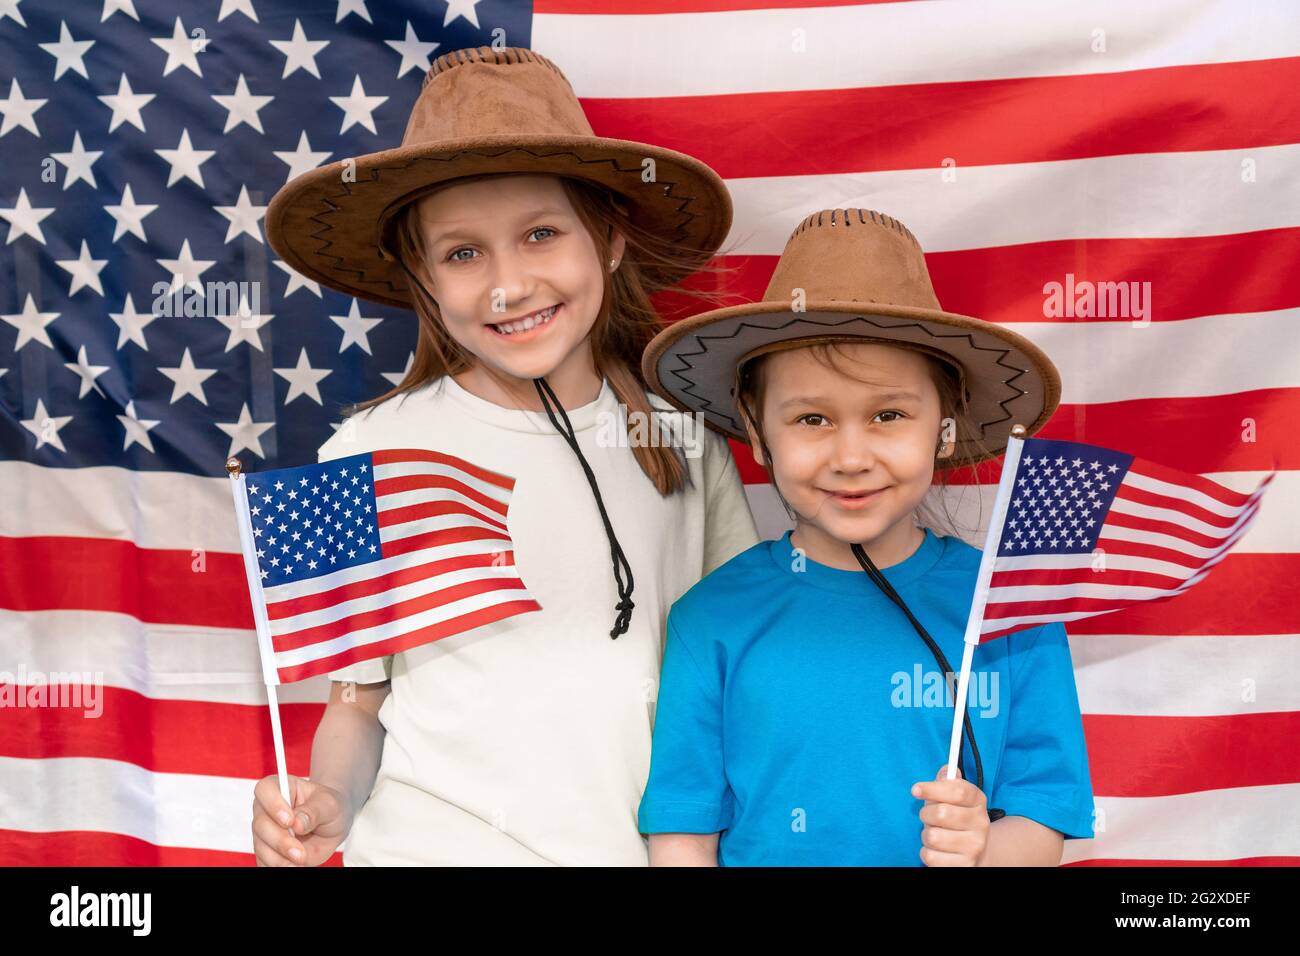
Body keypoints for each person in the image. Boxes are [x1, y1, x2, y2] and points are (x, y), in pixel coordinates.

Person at [249, 46, 759, 866]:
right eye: (462, 253)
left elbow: (734, 666)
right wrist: (329, 803)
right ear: (422, 273)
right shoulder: (366, 451)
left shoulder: (680, 440)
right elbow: (355, 700)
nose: (507, 285)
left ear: (612, 240)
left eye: (542, 234)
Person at [636, 207, 1096, 866]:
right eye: (812, 418)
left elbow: (1043, 822)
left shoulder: (1009, 610)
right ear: (757, 431)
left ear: (945, 423)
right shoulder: (708, 620)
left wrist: (984, 847)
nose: (851, 457)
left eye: (888, 415)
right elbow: (684, 832)